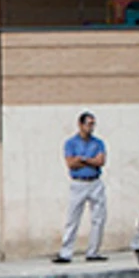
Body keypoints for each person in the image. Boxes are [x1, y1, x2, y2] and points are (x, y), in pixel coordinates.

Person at [55, 112, 107, 263]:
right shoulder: (71, 143)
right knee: (73, 218)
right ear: (80, 125)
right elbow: (71, 163)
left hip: (95, 181)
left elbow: (100, 161)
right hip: (78, 183)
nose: (91, 127)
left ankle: (93, 252)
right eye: (89, 124)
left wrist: (82, 159)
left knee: (99, 218)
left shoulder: (98, 143)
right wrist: (90, 160)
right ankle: (66, 253)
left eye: (93, 124)